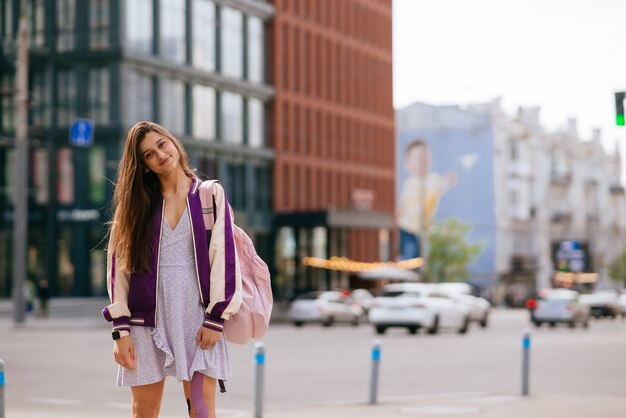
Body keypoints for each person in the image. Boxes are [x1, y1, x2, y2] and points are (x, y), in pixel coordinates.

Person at [102, 121, 242, 418]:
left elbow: (225, 258)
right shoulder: (136, 206)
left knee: (200, 410)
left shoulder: (208, 196)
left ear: (173, 142)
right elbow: (118, 270)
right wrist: (120, 331)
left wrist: (216, 318)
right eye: (149, 155)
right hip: (144, 323)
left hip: (198, 320)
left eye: (161, 144)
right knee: (144, 412)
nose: (160, 155)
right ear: (145, 166)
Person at [397, 140, 457, 260]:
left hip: (421, 229)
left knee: (419, 256)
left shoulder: (433, 179)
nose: (423, 161)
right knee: (408, 255)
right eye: (417, 158)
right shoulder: (409, 183)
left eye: (426, 156)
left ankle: (415, 271)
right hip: (405, 227)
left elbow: (445, 183)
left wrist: (449, 179)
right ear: (407, 163)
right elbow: (402, 206)